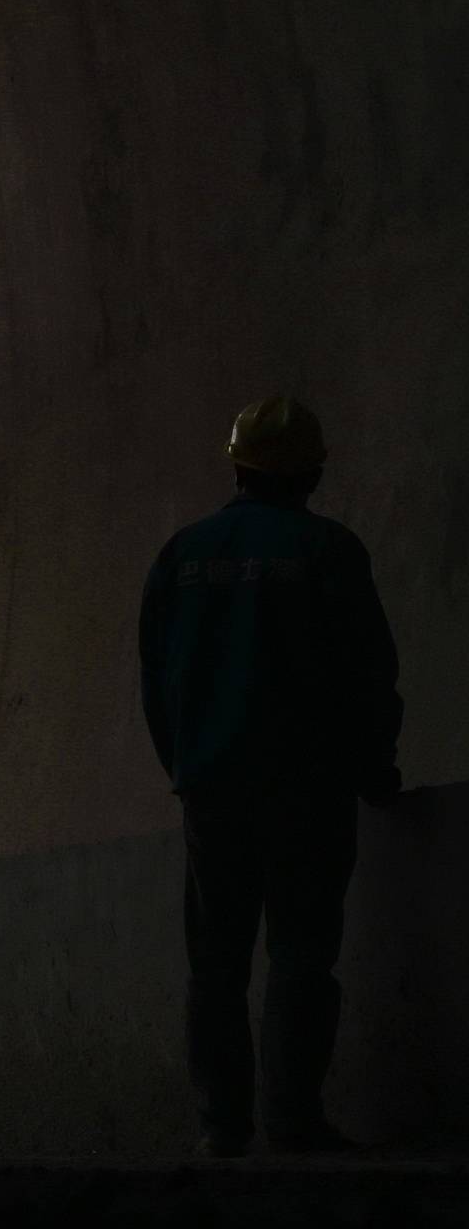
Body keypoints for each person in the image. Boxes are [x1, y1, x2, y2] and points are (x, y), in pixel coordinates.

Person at [138, 395, 404, 1154]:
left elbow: (156, 680)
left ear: (234, 464)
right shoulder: (328, 552)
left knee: (215, 966)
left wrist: (186, 767)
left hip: (212, 791)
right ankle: (292, 1122)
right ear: (312, 471)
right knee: (300, 955)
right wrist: (373, 765)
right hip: (307, 793)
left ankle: (222, 1129)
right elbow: (366, 672)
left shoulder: (180, 556)